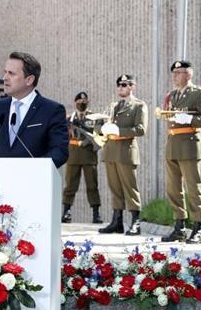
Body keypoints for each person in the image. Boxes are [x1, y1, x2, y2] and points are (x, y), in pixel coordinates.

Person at [0, 51, 68, 167]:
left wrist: (30, 169)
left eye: (11, 74)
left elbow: (59, 152)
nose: (5, 78)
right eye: (5, 72)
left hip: (34, 181)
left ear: (29, 80)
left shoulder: (52, 110)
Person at [160, 60, 201, 243]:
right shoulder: (173, 96)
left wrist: (189, 120)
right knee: (173, 188)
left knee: (193, 187)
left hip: (190, 145)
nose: (175, 75)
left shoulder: (198, 93)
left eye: (179, 72)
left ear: (189, 74)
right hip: (173, 144)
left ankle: (197, 227)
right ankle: (179, 226)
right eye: (174, 72)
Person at [98, 74, 147, 236]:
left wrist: (119, 131)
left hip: (126, 152)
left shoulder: (138, 106)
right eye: (119, 85)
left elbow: (141, 129)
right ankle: (117, 222)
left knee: (130, 188)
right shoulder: (114, 106)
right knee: (115, 189)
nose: (121, 87)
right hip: (110, 151)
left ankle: (135, 222)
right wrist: (102, 129)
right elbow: (103, 126)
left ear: (133, 87)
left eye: (125, 85)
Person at [61, 91, 103, 224]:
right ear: (75, 103)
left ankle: (96, 213)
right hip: (73, 155)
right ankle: (66, 211)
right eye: (79, 103)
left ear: (88, 103)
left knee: (92, 185)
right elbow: (63, 136)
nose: (82, 105)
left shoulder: (95, 118)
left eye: (84, 103)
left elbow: (99, 135)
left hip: (89, 156)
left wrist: (86, 142)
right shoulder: (69, 119)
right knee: (70, 186)